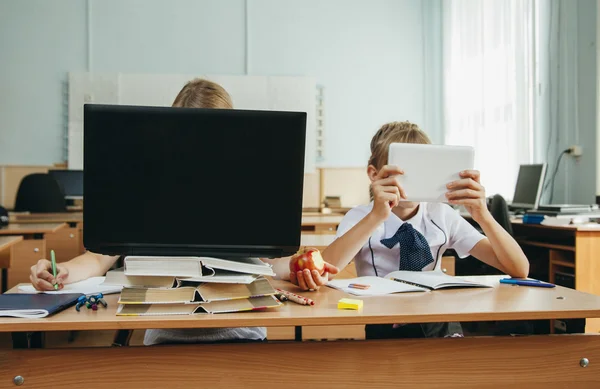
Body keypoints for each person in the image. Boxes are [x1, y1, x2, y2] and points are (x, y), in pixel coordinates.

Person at [30, 78, 338, 344]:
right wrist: (63, 272)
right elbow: (99, 258)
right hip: (165, 341)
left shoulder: (246, 191)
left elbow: (275, 264)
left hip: (246, 339)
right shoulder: (147, 193)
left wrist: (304, 269)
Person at [312, 121, 529, 338]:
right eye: (402, 172)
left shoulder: (442, 215)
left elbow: (519, 269)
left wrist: (483, 215)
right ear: (374, 174)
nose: (410, 181)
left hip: (437, 321)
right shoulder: (360, 217)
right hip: (384, 324)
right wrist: (377, 215)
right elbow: (324, 269)